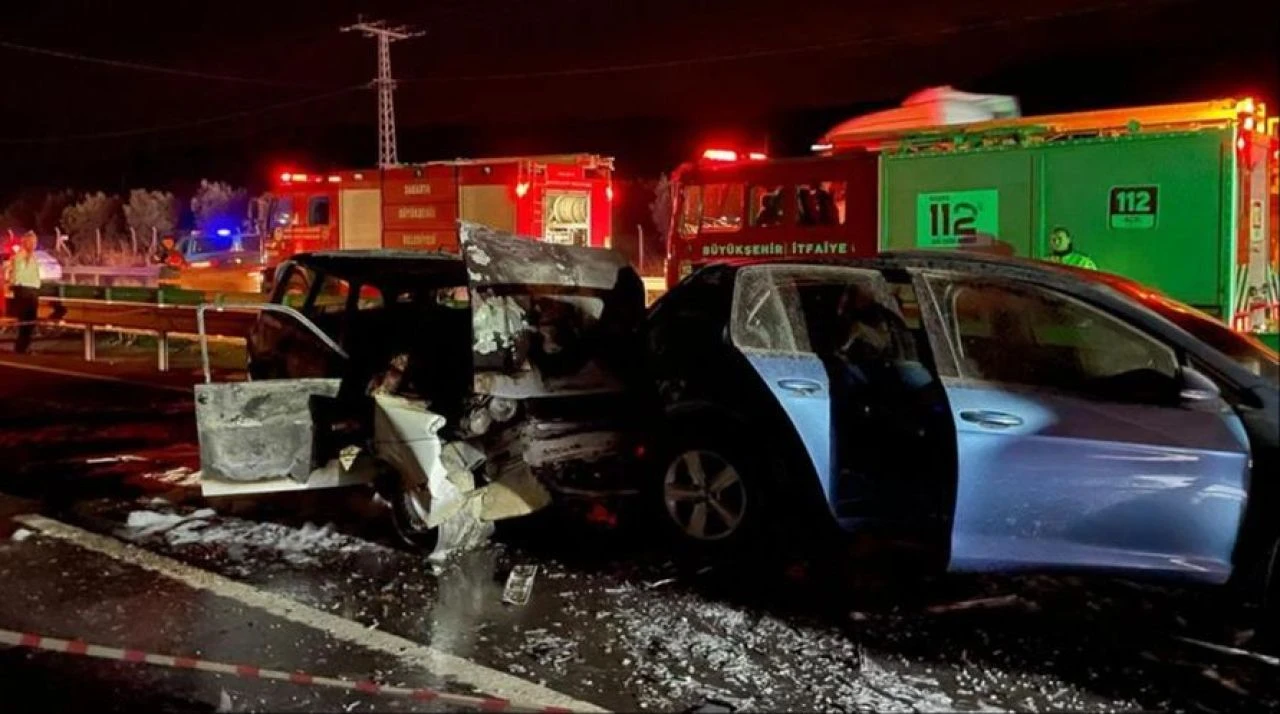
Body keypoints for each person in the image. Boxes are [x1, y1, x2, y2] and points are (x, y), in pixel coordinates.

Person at [4, 231, 42, 354]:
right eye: (33, 242)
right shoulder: (21, 256)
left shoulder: (31, 257)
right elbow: (16, 275)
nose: (35, 244)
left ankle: (23, 348)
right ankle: (21, 349)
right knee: (26, 321)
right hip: (25, 290)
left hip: (31, 289)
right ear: (27, 242)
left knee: (29, 322)